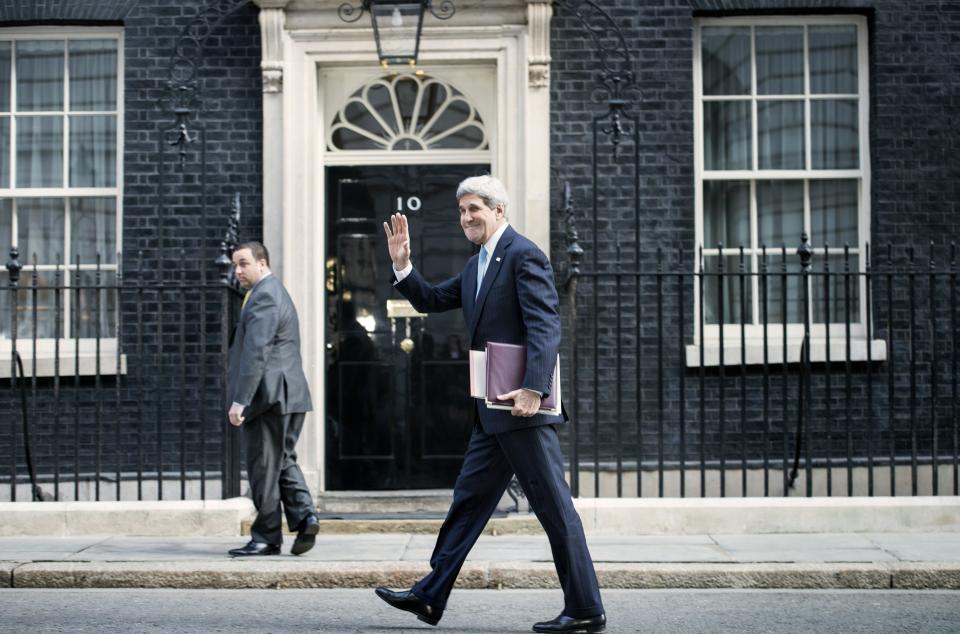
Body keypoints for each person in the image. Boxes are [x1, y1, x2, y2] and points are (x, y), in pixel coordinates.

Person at [375, 176, 606, 633]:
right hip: (493, 412)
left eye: (474, 209)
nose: (466, 218)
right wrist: (403, 266)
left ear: (499, 210)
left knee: (555, 510)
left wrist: (534, 388)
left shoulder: (523, 255)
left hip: (522, 409)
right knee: (468, 503)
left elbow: (545, 326)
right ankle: (430, 595)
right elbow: (434, 299)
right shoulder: (479, 263)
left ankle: (584, 607)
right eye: (462, 211)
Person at [226, 241, 319, 557]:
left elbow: (257, 352)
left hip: (270, 397)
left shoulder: (264, 296)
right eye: (235, 265)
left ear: (262, 263)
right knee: (281, 461)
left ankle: (266, 537)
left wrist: (241, 400)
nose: (237, 271)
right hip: (288, 394)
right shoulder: (272, 292)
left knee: (263, 467)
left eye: (243, 263)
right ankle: (306, 516)